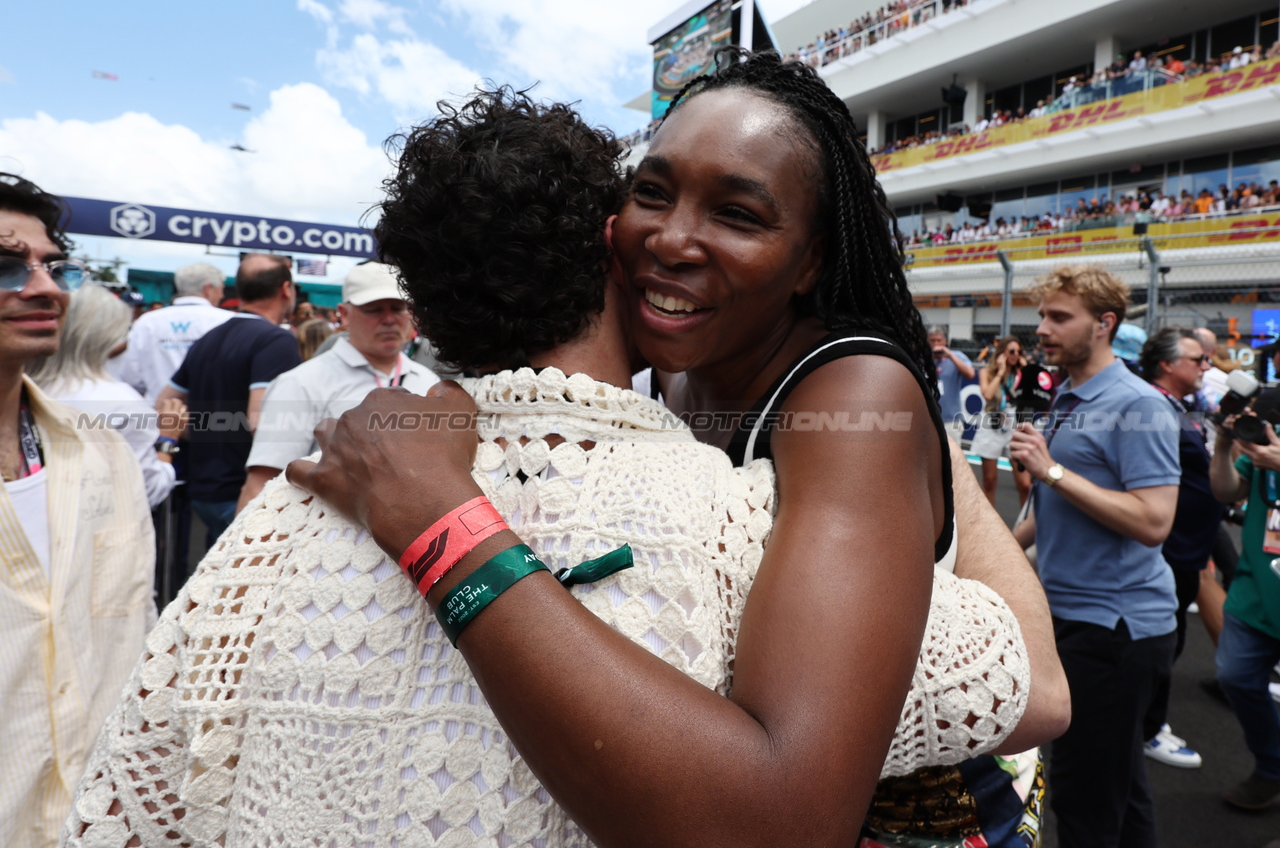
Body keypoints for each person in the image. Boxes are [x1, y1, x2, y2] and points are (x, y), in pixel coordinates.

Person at [65, 85, 1067, 847]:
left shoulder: (853, 392)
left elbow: (1021, 706)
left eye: (739, 213)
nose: (672, 239)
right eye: (652, 193)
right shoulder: (680, 381)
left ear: (812, 259)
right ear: (602, 233)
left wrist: (440, 514)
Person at [0, 173, 156, 848]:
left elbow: (135, 647)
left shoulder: (103, 457)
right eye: (7, 265)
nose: (46, 287)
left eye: (51, 264)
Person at [1010, 265, 1180, 848]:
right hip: (1081, 620)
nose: (1043, 328)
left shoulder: (1139, 404)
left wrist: (1051, 471)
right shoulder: (1069, 394)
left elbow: (1154, 521)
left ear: (1104, 324)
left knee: (1085, 799)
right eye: (1042, 316)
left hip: (1115, 630)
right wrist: (992, 551)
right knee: (1121, 788)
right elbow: (1053, 508)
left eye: (1059, 317)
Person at [239, 261, 438, 509]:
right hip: (321, 537)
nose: (388, 319)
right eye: (373, 309)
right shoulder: (300, 383)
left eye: (397, 308)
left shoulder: (428, 381)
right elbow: (262, 484)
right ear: (344, 314)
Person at [155, 254, 300, 549]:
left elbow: (163, 406)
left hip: (203, 490)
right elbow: (261, 422)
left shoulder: (207, 340)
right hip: (246, 493)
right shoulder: (276, 340)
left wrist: (205, 431)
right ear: (286, 289)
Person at [1137, 327, 1220, 770]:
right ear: (1168, 364)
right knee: (1163, 635)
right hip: (1170, 544)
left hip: (1189, 542)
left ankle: (1145, 720)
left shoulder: (1180, 407)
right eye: (1197, 359)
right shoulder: (1153, 409)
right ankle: (1147, 727)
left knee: (1169, 633)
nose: (1207, 366)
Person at [27, 283, 182, 508]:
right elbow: (144, 491)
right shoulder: (123, 403)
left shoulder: (18, 386)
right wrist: (167, 440)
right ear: (106, 335)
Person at [1208, 358, 1280, 811]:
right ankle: (1272, 765)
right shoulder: (1266, 430)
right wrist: (1221, 448)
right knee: (1235, 676)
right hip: (1257, 587)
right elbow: (1225, 491)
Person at [112, 261, 232, 402]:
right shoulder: (229, 321)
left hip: (157, 415)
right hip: (212, 417)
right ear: (208, 289)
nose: (222, 295)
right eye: (221, 289)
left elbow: (131, 377)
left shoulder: (147, 322)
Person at [973, 335, 1032, 506]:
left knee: (1025, 485)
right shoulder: (987, 372)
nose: (1016, 355)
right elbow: (988, 394)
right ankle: (992, 528)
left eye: (1019, 352)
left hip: (1014, 426)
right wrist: (1000, 372)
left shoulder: (1020, 373)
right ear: (1002, 354)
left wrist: (1024, 368)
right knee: (990, 481)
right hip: (992, 424)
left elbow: (1031, 393)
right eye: (1012, 351)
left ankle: (1024, 526)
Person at [929, 324, 976, 438]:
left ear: (945, 342)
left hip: (951, 420)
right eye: (932, 340)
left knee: (952, 454)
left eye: (939, 340)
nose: (936, 344)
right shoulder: (923, 358)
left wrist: (950, 355)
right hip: (928, 419)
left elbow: (970, 374)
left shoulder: (956, 356)